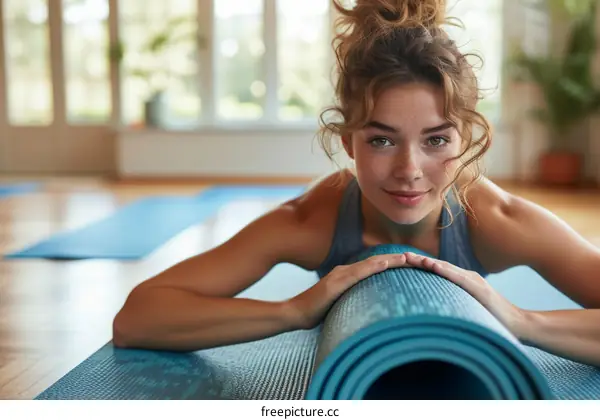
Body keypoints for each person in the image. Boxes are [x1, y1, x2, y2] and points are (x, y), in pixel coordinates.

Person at [112, 0, 600, 367]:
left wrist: (520, 321)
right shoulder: (311, 220)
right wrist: (295, 310)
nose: (409, 169)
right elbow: (138, 318)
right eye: (382, 141)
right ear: (348, 142)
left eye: (435, 140)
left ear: (465, 139)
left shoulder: (494, 221)